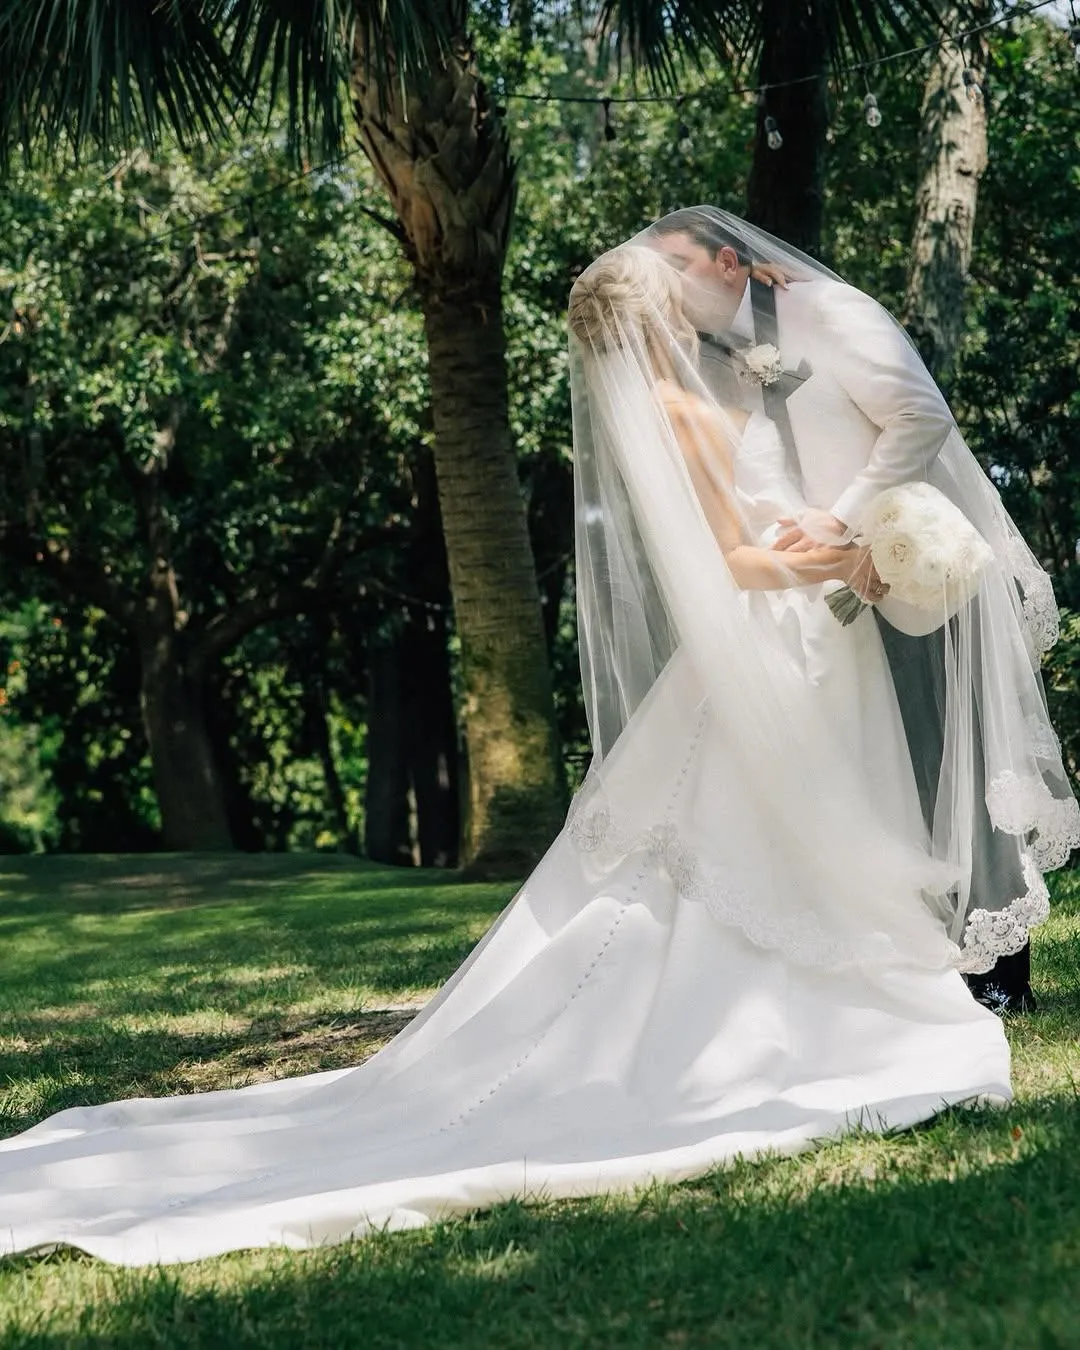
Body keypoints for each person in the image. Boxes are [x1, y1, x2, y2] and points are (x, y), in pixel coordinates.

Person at [0, 215, 1069, 1269]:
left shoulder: (701, 390)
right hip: (786, 632)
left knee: (783, 819)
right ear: (664, 314)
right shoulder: (686, 410)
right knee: (771, 827)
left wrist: (842, 542)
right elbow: (739, 562)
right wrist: (844, 562)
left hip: (794, 643)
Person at [646, 207, 1077, 1007]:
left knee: (960, 761)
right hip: (828, 589)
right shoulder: (702, 358)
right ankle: (934, 953)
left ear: (731, 262)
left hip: (920, 563)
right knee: (894, 776)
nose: (666, 281)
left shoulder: (831, 313)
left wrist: (844, 519)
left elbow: (921, 415)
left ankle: (1000, 967)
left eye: (677, 264)